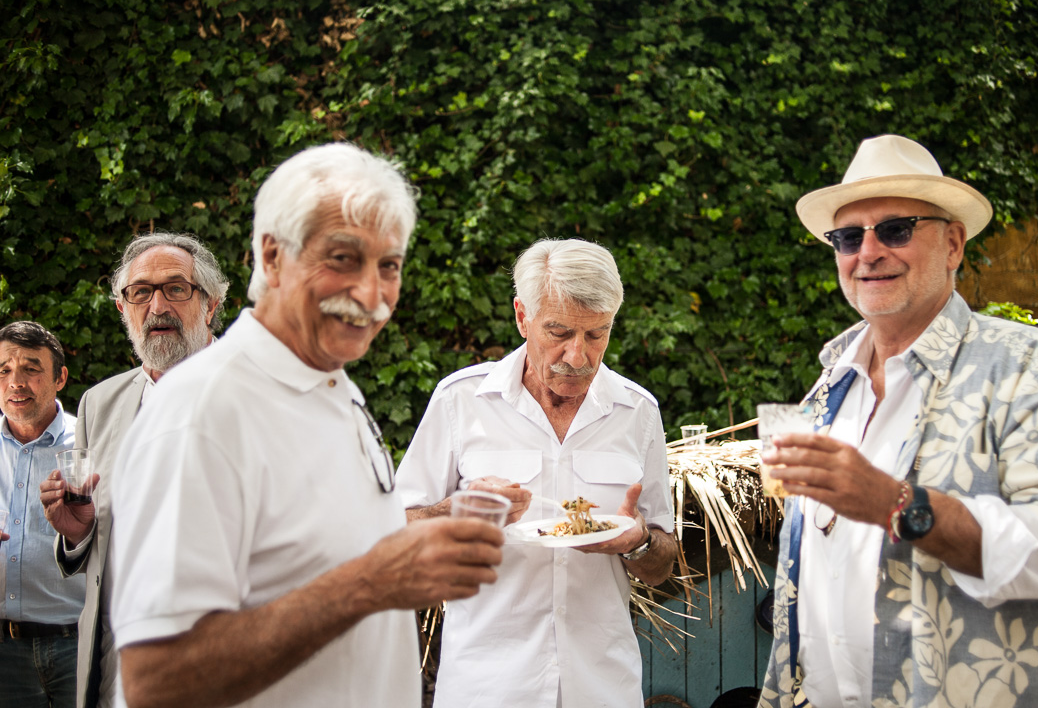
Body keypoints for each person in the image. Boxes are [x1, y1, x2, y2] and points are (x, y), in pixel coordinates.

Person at [106, 142, 504, 708]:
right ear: (271, 258)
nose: (371, 294)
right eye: (342, 259)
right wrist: (369, 584)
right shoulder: (201, 412)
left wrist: (428, 534)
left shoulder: (335, 385)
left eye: (388, 265)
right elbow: (157, 681)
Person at [758, 134, 1038, 707]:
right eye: (849, 237)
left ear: (953, 243)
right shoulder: (830, 382)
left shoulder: (1024, 366)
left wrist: (900, 506)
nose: (869, 252)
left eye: (896, 229)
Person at [397, 237, 677, 708]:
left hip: (602, 688)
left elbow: (662, 564)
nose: (577, 356)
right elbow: (392, 532)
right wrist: (454, 511)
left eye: (596, 334)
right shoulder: (461, 401)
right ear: (522, 316)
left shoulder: (638, 411)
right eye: (559, 332)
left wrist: (640, 542)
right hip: (486, 688)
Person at [40, 233, 228, 708]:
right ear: (123, 309)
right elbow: (94, 541)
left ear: (211, 304)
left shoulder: (261, 393)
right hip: (117, 669)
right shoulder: (98, 404)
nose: (157, 305)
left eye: (176, 288)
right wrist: (78, 532)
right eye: (140, 292)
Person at [0, 321, 83, 707]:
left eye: (31, 369)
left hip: (76, 642)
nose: (15, 381)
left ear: (60, 378)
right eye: (4, 370)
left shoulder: (88, 442)